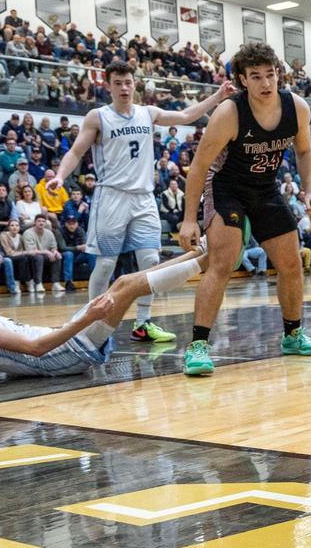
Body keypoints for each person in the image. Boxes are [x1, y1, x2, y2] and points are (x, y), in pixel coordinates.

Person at [48, 60, 233, 343]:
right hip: (111, 196)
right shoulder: (98, 117)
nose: (124, 88)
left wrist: (217, 97)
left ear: (135, 84)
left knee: (149, 260)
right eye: (118, 83)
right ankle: (91, 322)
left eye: (128, 82)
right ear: (108, 86)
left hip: (144, 197)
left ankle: (143, 323)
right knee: (107, 264)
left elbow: (184, 115)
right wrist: (61, 176)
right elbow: (75, 152)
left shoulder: (148, 113)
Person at [178, 42, 311, 376]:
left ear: (279, 74)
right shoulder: (229, 113)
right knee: (222, 263)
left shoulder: (297, 108)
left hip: (266, 189)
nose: (265, 83)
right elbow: (199, 167)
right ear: (243, 80)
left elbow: (304, 152)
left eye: (270, 74)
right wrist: (189, 220)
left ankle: (293, 335)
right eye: (256, 76)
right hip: (228, 188)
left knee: (291, 262)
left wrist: (310, 191)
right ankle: (198, 345)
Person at [0, 250, 206, 376]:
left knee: (123, 283)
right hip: (61, 356)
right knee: (127, 289)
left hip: (60, 347)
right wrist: (86, 318)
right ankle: (205, 260)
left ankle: (197, 254)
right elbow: (34, 349)